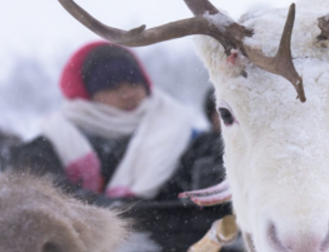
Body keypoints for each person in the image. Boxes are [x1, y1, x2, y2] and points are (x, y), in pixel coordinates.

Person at [8, 41, 195, 201]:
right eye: (112, 87)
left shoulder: (177, 132)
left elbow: (206, 162)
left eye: (134, 83)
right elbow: (39, 187)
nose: (128, 94)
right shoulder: (52, 142)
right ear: (88, 96)